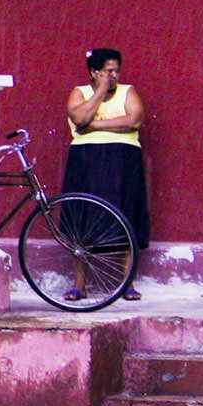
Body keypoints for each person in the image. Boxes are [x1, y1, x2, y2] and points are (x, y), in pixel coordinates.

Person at [63, 47, 148, 301]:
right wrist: (100, 92)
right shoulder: (80, 93)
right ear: (94, 72)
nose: (114, 76)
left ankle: (127, 283)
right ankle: (79, 285)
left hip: (123, 161)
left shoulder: (128, 92)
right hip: (85, 161)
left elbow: (133, 120)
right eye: (109, 71)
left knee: (126, 216)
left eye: (117, 70)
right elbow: (78, 117)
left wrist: (93, 125)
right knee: (82, 221)